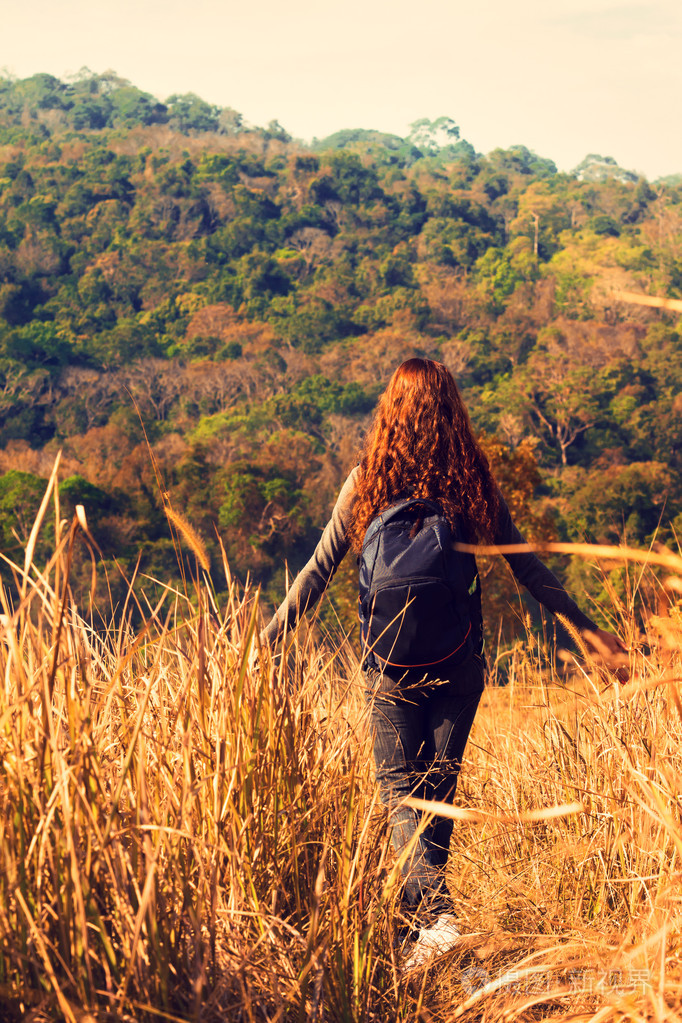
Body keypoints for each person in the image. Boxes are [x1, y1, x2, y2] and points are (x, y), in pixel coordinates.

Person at [261, 358, 628, 969]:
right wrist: (592, 634)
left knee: (399, 792)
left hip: (387, 666)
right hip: (459, 666)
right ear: (452, 411)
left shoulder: (365, 482)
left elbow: (316, 572)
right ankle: (428, 933)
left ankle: (433, 925)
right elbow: (528, 569)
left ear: (391, 413)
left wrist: (265, 645)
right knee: (437, 791)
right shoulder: (470, 484)